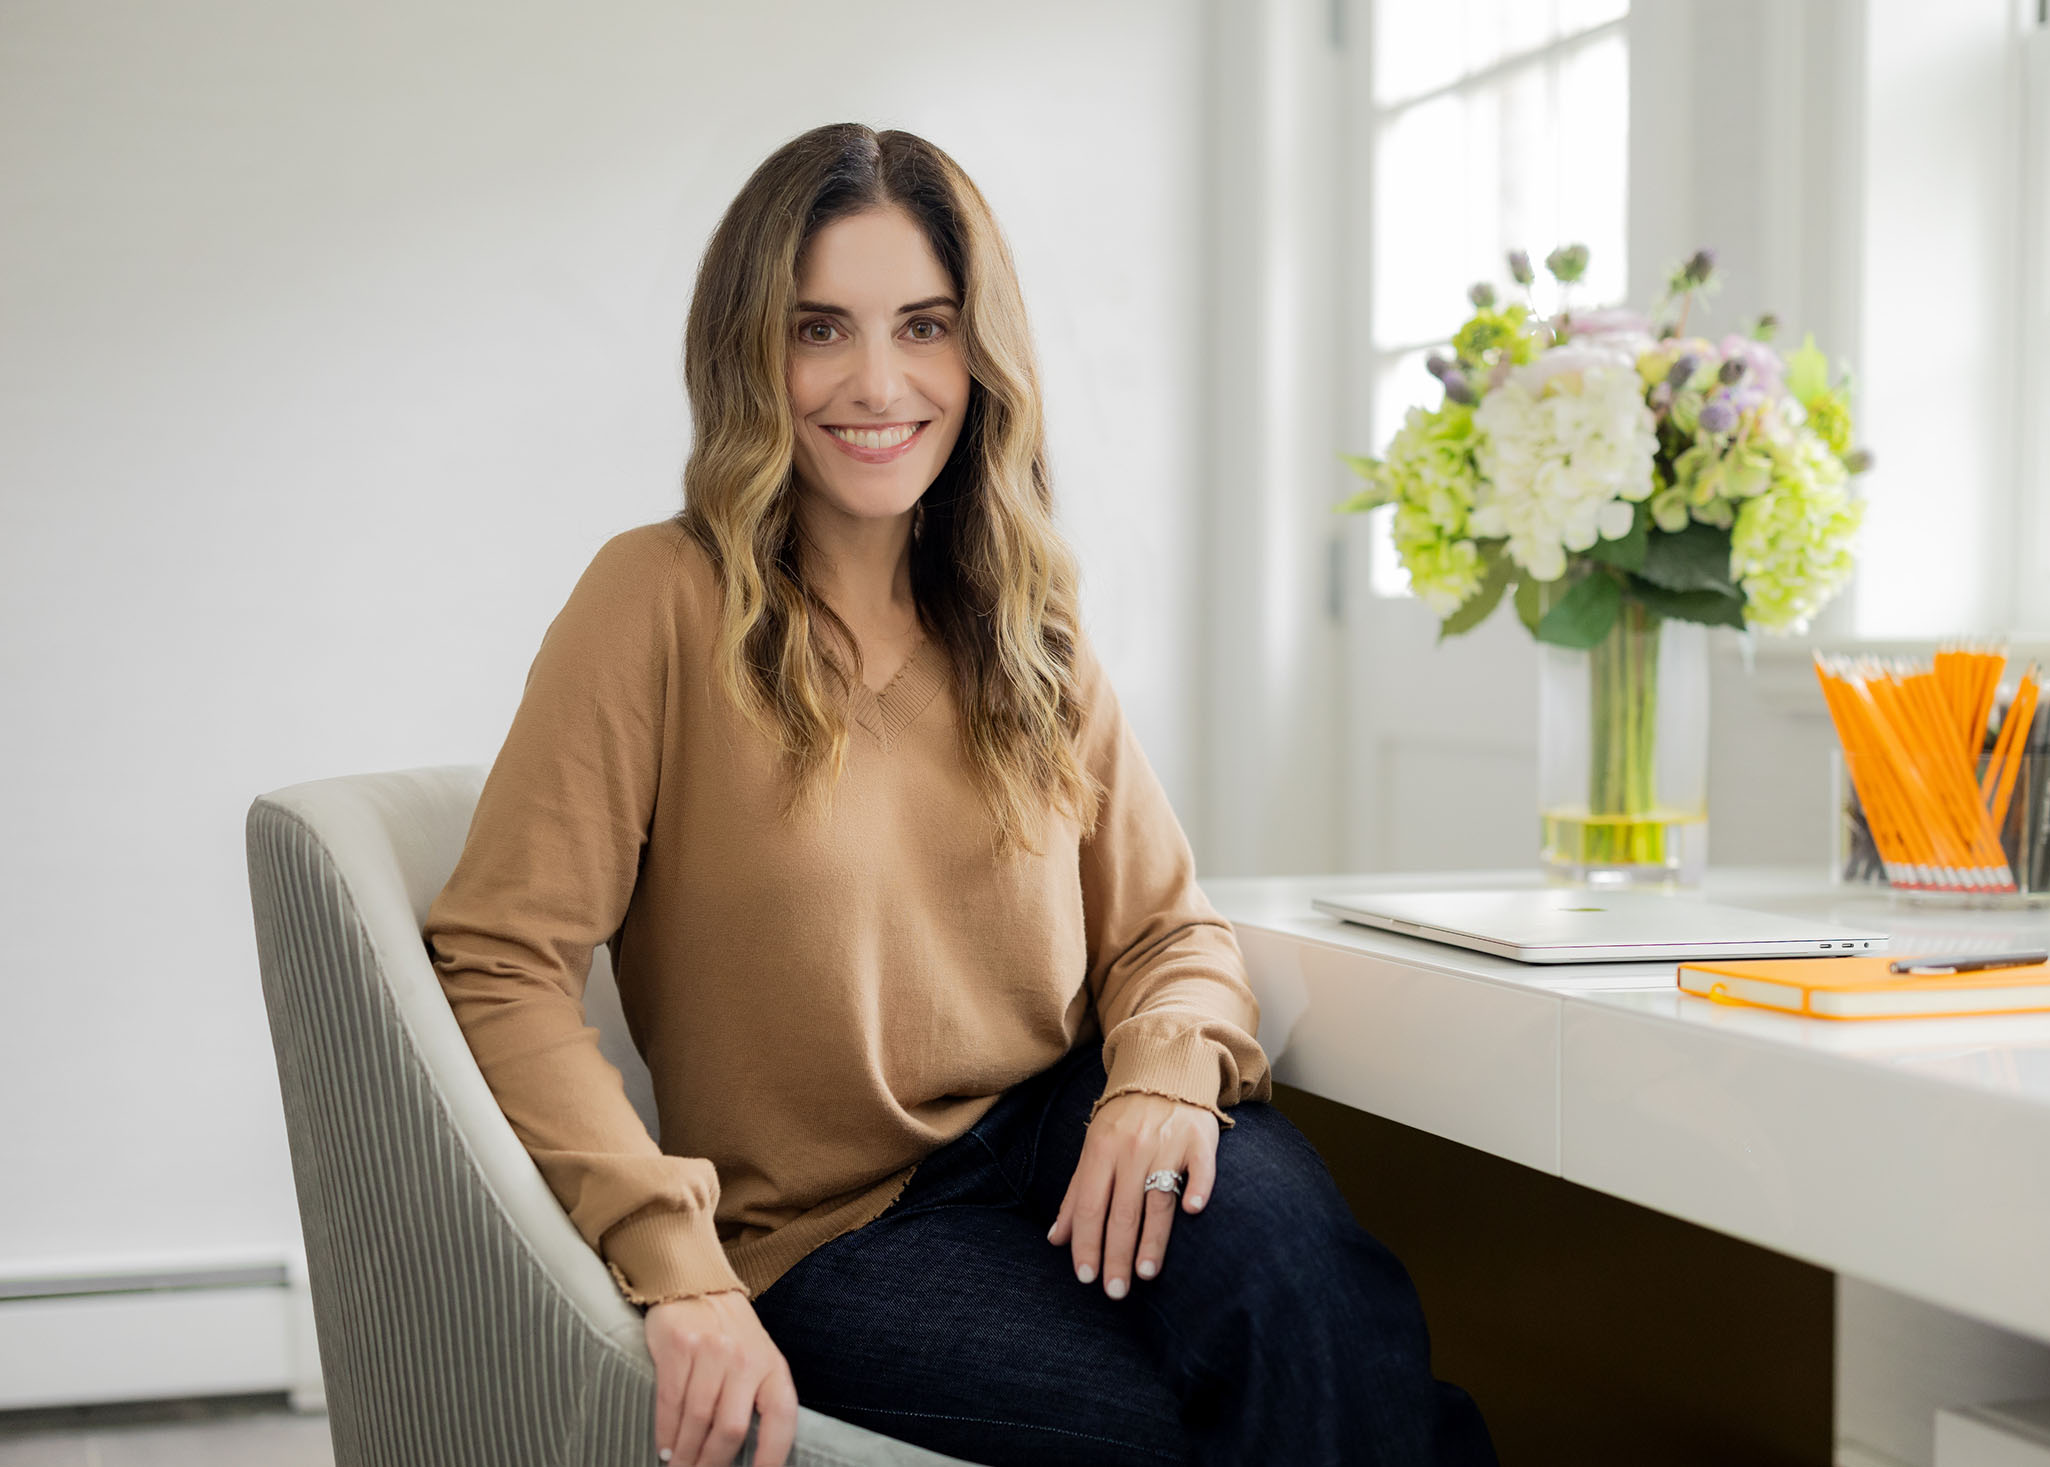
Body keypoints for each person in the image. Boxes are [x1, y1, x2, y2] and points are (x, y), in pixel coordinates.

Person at [424, 122, 1498, 1467]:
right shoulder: (656, 601)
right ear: (749, 351)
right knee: (1251, 1425)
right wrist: (673, 1260)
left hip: (1068, 1120)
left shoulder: (1022, 616)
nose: (877, 381)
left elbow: (1170, 931)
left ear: (979, 354)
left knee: (1318, 1302)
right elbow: (500, 955)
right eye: (820, 329)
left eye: (923, 325)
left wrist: (1160, 1079)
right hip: (837, 1232)